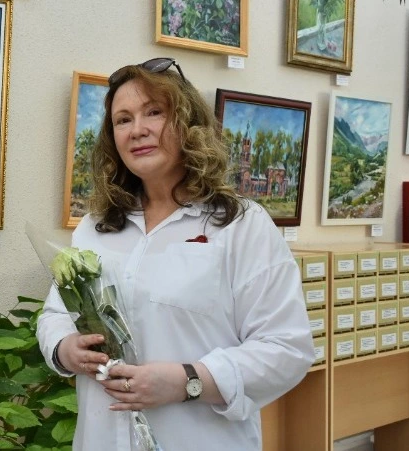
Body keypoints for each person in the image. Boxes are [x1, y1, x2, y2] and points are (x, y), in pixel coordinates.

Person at [36, 58, 315, 451]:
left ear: (188, 124)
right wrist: (65, 349)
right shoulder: (96, 226)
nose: (138, 130)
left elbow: (287, 348)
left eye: (154, 112)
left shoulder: (241, 225)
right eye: (123, 120)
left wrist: (188, 381)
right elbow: (56, 315)